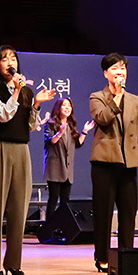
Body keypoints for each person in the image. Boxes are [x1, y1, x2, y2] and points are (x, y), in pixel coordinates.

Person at [0, 45, 56, 275]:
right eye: (4, 59)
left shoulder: (26, 91)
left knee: (19, 207)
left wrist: (36, 104)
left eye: (13, 58)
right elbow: (2, 114)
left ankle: (13, 262)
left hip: (21, 150)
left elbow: (31, 126)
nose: (10, 62)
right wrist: (15, 92)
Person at [88, 54, 138, 273]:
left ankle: (127, 256)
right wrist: (116, 97)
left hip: (128, 163)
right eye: (115, 68)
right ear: (106, 73)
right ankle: (102, 258)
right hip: (104, 164)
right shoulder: (97, 97)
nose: (120, 72)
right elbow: (103, 118)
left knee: (128, 213)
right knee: (103, 213)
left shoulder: (135, 100)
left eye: (123, 68)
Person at [43, 96, 91, 225]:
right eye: (64, 105)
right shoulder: (51, 123)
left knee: (65, 200)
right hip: (55, 167)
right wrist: (59, 133)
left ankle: (63, 226)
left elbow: (77, 144)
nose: (67, 108)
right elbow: (51, 141)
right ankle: (49, 226)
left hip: (68, 169)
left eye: (69, 106)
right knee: (53, 198)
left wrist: (85, 132)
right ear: (58, 108)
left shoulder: (71, 125)